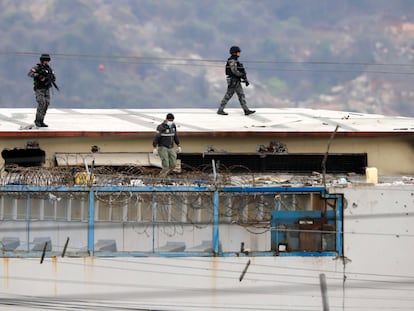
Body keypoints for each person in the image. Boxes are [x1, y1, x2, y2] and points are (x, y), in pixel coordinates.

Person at [217, 46, 255, 116]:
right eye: (238, 52)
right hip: (233, 80)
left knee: (241, 95)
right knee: (229, 95)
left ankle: (246, 110)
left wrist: (244, 78)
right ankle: (220, 110)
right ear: (235, 53)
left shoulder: (235, 60)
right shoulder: (232, 60)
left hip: (236, 80)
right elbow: (234, 71)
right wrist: (241, 75)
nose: (239, 53)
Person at [27, 53, 58, 127]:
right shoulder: (37, 68)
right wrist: (39, 76)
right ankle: (37, 121)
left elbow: (53, 77)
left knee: (46, 104)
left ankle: (41, 121)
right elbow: (30, 73)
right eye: (45, 60)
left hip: (46, 89)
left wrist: (51, 78)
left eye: (47, 60)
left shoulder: (49, 69)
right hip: (39, 89)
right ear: (42, 60)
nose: (46, 62)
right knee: (42, 103)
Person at [152, 113, 182, 177]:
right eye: (170, 120)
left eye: (172, 120)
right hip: (162, 147)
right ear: (167, 119)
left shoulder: (173, 126)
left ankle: (166, 176)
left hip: (171, 147)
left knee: (173, 164)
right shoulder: (161, 127)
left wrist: (178, 145)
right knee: (166, 165)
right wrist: (154, 147)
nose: (171, 122)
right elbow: (156, 137)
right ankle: (161, 178)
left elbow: (175, 136)